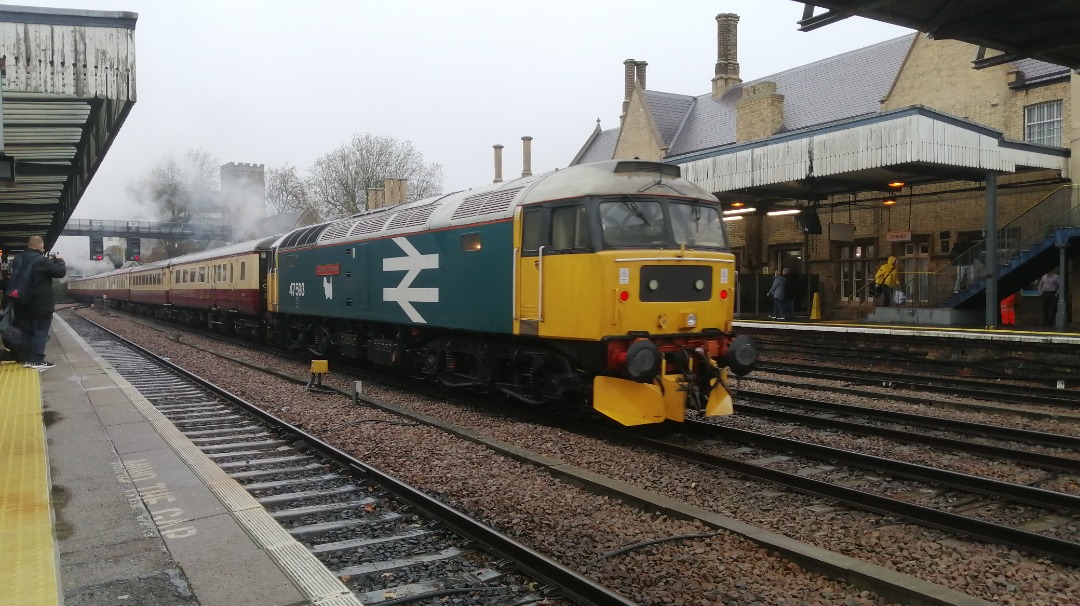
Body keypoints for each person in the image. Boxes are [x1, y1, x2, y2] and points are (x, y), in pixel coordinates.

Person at [10, 236, 66, 370]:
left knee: (26, 332)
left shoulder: (18, 259)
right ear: (40, 247)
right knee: (40, 332)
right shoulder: (42, 261)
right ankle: (37, 360)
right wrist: (60, 261)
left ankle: (28, 359)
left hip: (21, 303)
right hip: (39, 305)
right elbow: (60, 272)